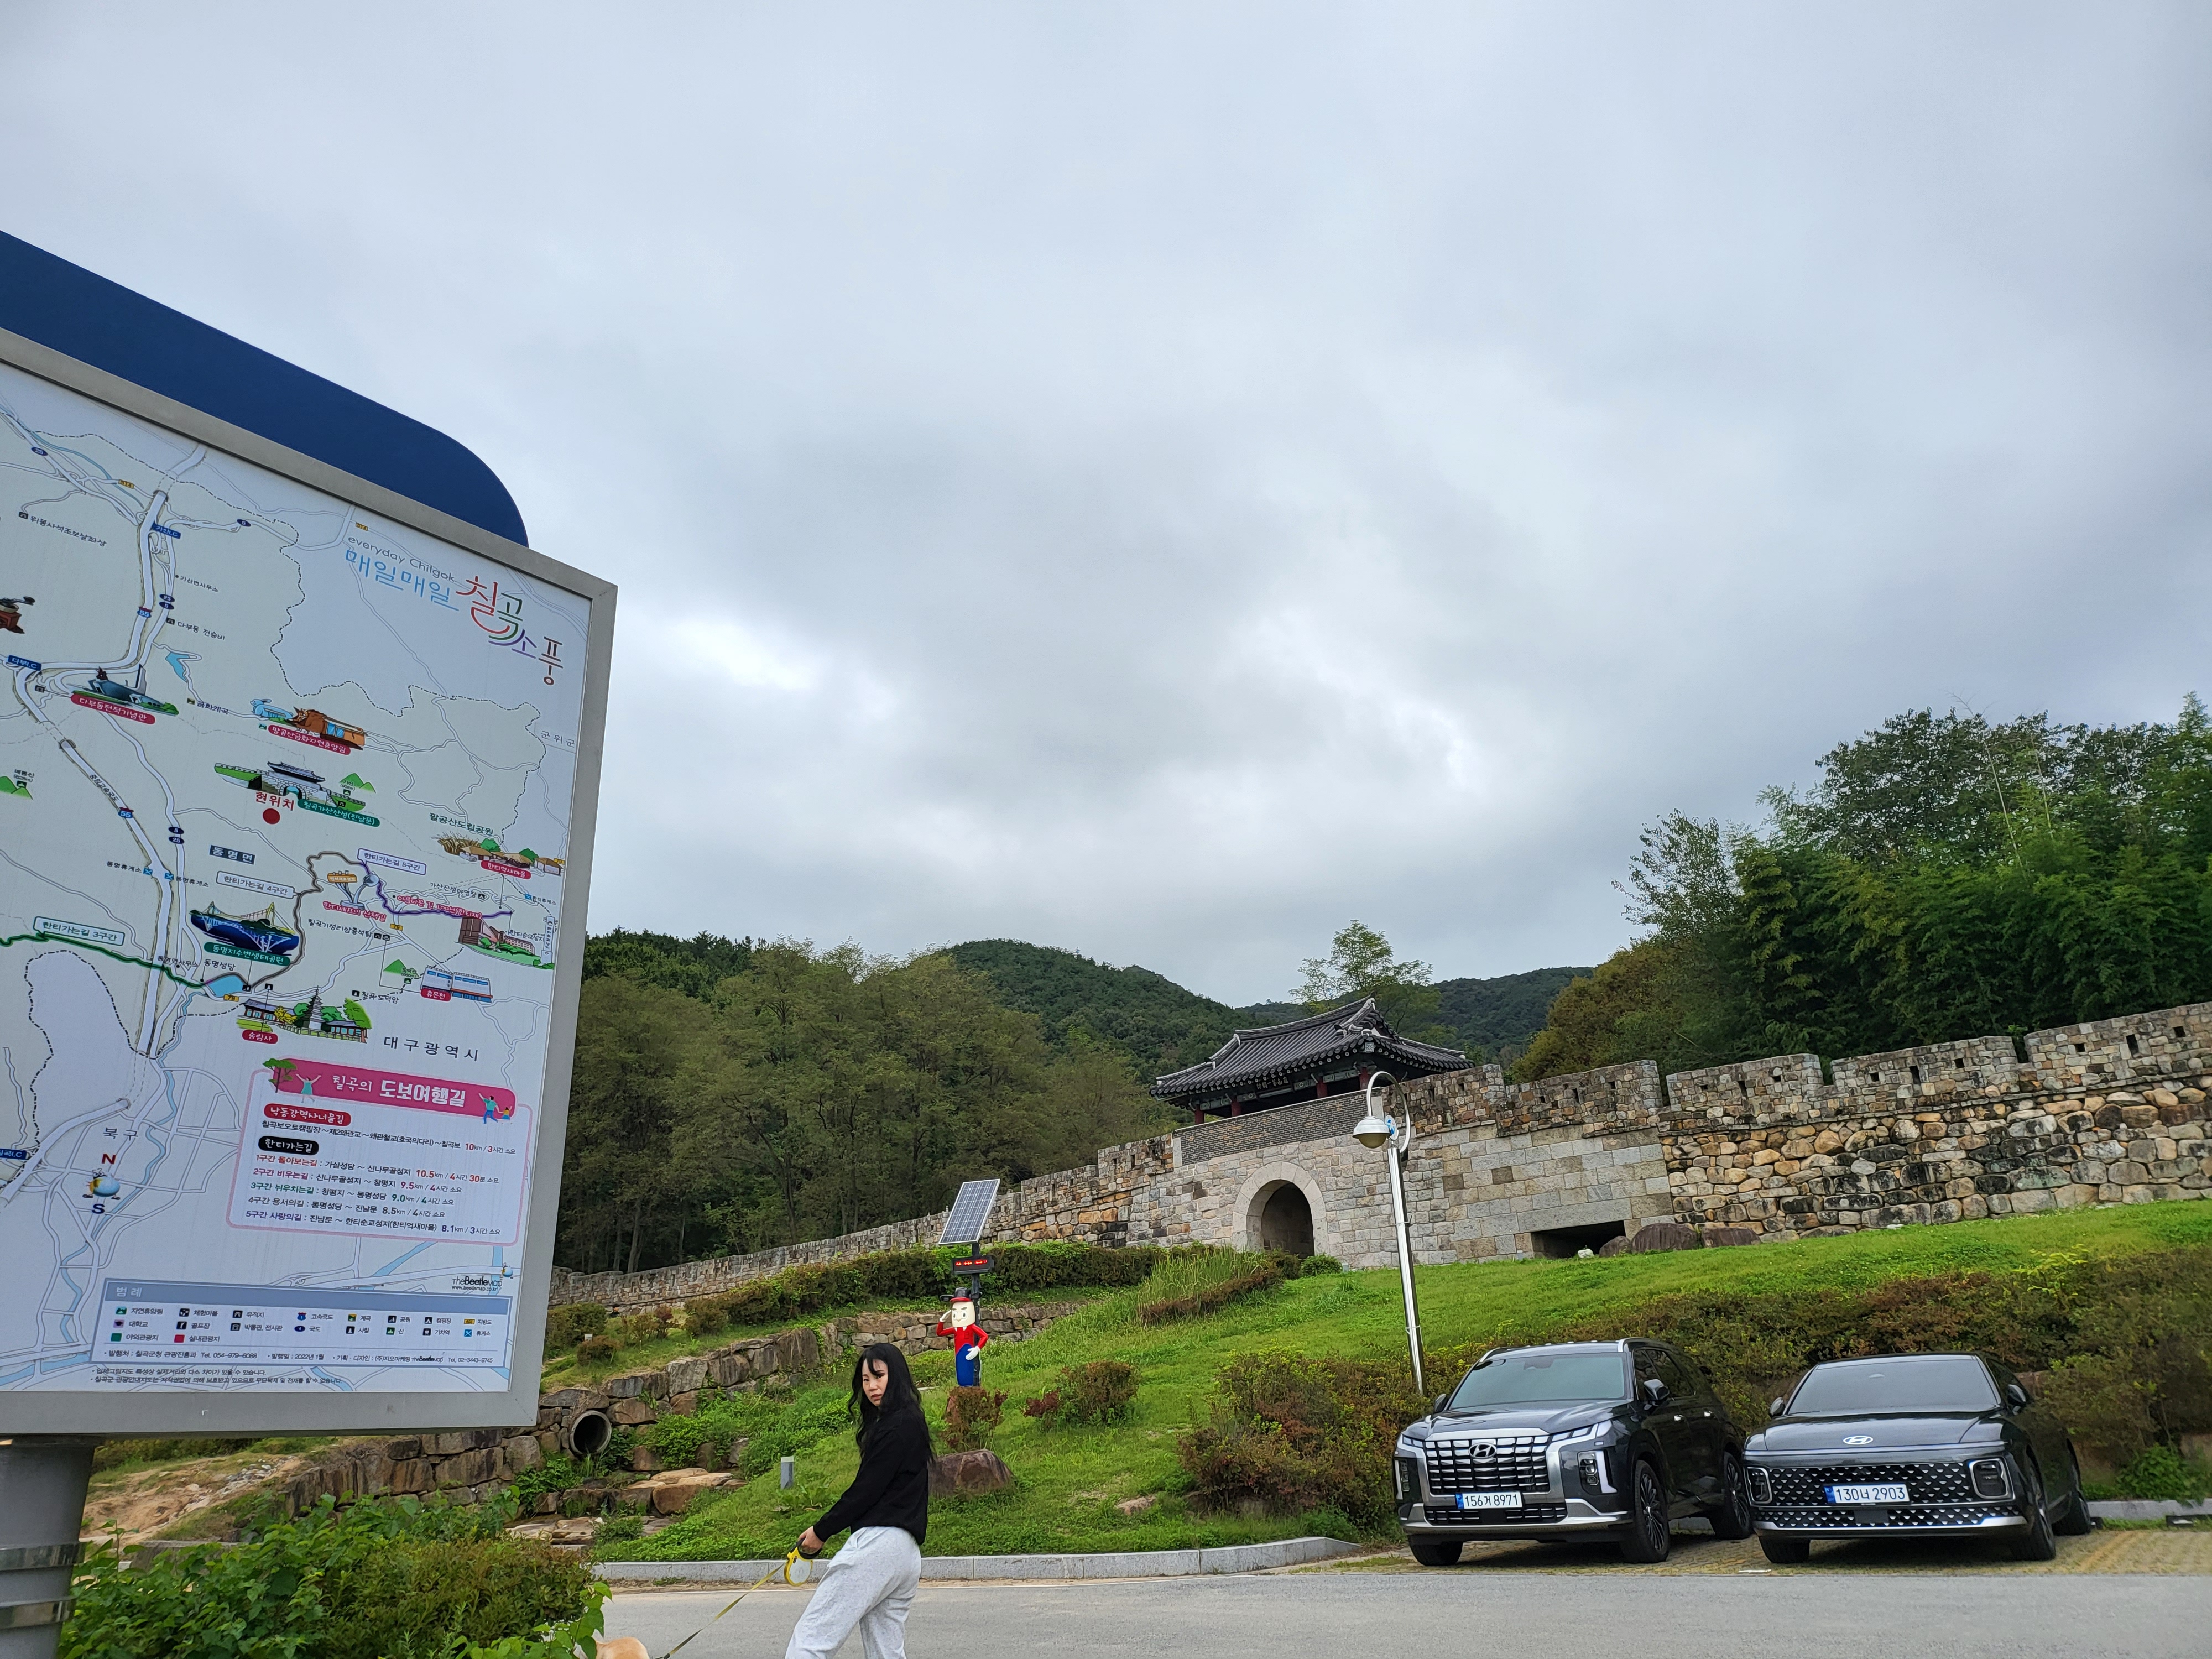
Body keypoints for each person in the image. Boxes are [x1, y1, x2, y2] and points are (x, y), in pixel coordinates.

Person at [789, 1343, 933, 1659]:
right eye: (866, 1380)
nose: (871, 1387)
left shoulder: (895, 1427)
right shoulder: (912, 1422)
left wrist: (821, 1531)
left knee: (812, 1638)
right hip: (906, 1555)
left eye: (879, 1376)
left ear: (897, 1375)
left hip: (877, 1547)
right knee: (886, 1652)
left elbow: (865, 1491)